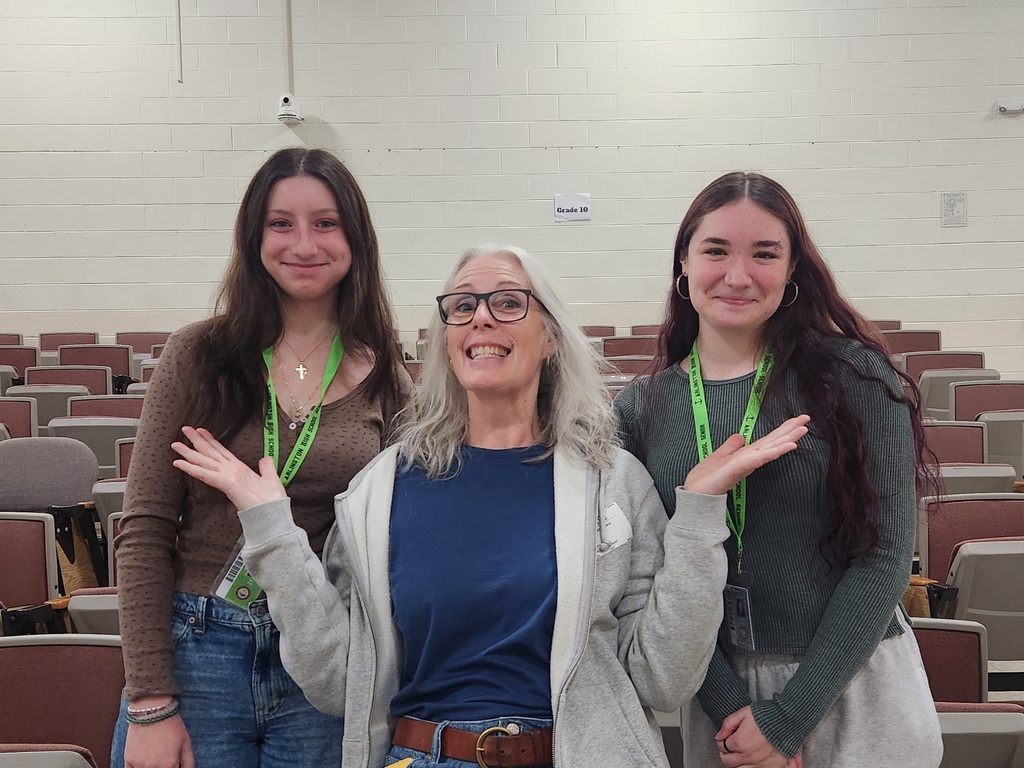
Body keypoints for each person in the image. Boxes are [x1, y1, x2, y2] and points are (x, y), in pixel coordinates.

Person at [169, 244, 810, 768]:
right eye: (464, 306)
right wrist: (272, 529)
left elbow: (663, 681)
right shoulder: (380, 491)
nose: (482, 318)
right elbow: (339, 682)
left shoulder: (612, 482)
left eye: (508, 303)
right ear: (447, 337)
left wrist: (699, 514)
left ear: (550, 337)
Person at [614, 172, 943, 768]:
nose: (737, 276)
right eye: (715, 251)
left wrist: (788, 719)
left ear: (792, 270)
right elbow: (650, 579)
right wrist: (735, 711)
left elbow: (885, 558)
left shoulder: (859, 379)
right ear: (683, 264)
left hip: (852, 685)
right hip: (722, 709)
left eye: (764, 254)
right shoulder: (640, 409)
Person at [111, 147, 410, 768]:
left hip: (322, 654)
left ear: (355, 237)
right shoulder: (198, 355)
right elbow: (143, 530)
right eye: (281, 223)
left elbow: (398, 544)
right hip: (199, 647)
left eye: (326, 223)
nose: (304, 243)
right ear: (254, 237)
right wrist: (150, 702)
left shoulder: (387, 379)